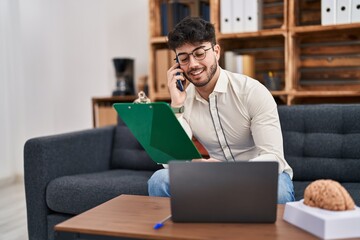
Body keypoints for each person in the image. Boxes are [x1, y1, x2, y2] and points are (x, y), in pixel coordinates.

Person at [148, 16, 295, 204]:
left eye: (200, 53)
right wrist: (176, 106)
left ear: (216, 51)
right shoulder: (184, 99)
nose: (193, 64)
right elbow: (168, 161)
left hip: (256, 175)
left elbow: (273, 158)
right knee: (159, 181)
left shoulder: (252, 91)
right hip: (213, 177)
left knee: (279, 193)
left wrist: (229, 173)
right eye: (184, 58)